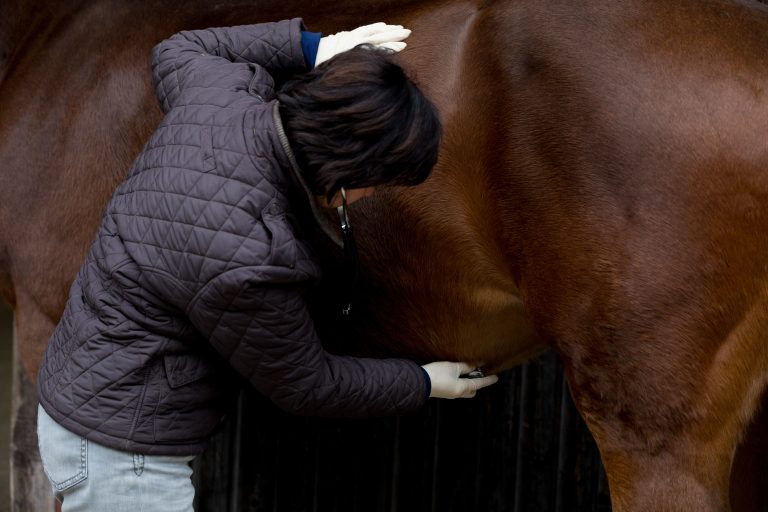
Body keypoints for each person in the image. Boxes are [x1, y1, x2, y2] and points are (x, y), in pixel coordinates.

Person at [36, 18, 498, 511]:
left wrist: (313, 49)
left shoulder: (218, 94)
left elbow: (179, 46)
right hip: (122, 456)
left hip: (84, 400)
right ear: (348, 167)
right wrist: (424, 382)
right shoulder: (250, 258)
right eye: (377, 183)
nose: (370, 197)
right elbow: (307, 384)